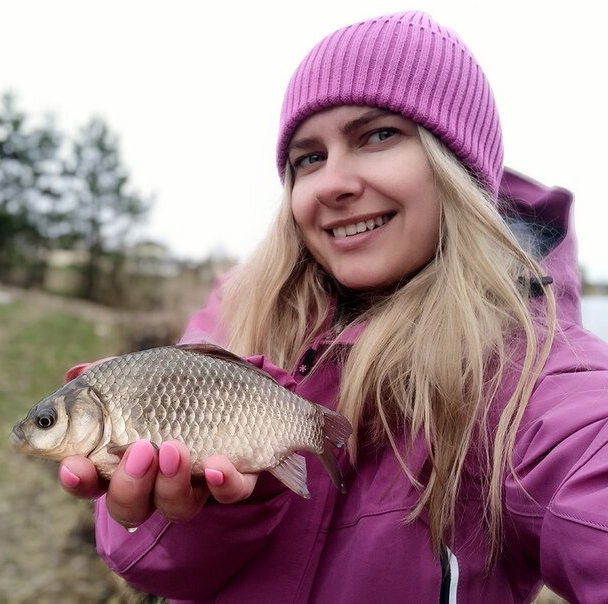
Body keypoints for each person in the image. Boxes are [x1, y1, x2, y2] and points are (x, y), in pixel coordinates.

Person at [57, 11, 608, 603]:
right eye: (308, 158)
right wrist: (188, 513)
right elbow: (152, 563)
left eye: (378, 135)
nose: (332, 183)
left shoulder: (528, 372)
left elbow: (585, 455)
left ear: (459, 169)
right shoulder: (234, 316)